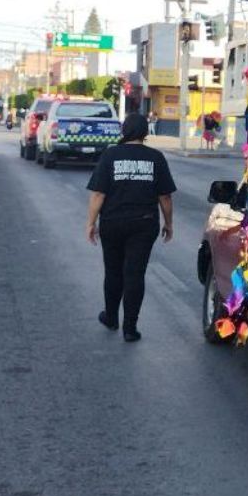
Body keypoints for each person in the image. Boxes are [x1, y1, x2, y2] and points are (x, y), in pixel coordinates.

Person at [85, 113, 175, 343]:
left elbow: (98, 194)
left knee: (113, 271)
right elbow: (165, 196)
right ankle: (130, 328)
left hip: (112, 223)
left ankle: (111, 317)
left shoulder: (110, 155)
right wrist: (169, 223)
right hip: (144, 224)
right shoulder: (155, 157)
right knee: (135, 274)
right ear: (145, 132)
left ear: (125, 130)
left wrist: (90, 223)